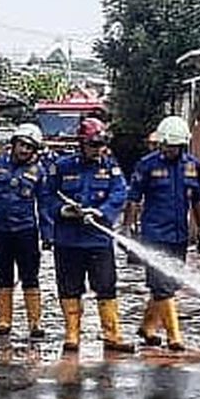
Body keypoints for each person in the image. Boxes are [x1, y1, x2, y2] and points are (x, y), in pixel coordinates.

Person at [45, 118, 135, 354]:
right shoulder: (62, 166)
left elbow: (119, 193)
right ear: (82, 143)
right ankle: (72, 334)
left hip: (98, 239)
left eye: (102, 145)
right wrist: (62, 210)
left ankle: (112, 335)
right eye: (94, 145)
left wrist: (101, 212)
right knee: (69, 287)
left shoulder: (110, 167)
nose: (99, 150)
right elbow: (47, 195)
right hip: (68, 239)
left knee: (106, 286)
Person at [126, 115, 200, 352]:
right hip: (154, 235)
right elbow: (134, 198)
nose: (170, 150)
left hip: (179, 235)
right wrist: (130, 227)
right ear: (160, 143)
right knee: (162, 286)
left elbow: (198, 199)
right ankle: (174, 336)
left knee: (170, 283)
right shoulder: (147, 165)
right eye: (166, 146)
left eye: (175, 147)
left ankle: (147, 328)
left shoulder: (192, 165)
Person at [0, 123, 53, 339]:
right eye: (21, 145)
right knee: (2, 275)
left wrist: (47, 235)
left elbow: (44, 205)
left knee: (30, 276)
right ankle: (4, 320)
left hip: (26, 230)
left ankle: (35, 322)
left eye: (29, 147)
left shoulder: (39, 171)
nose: (24, 150)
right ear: (13, 143)